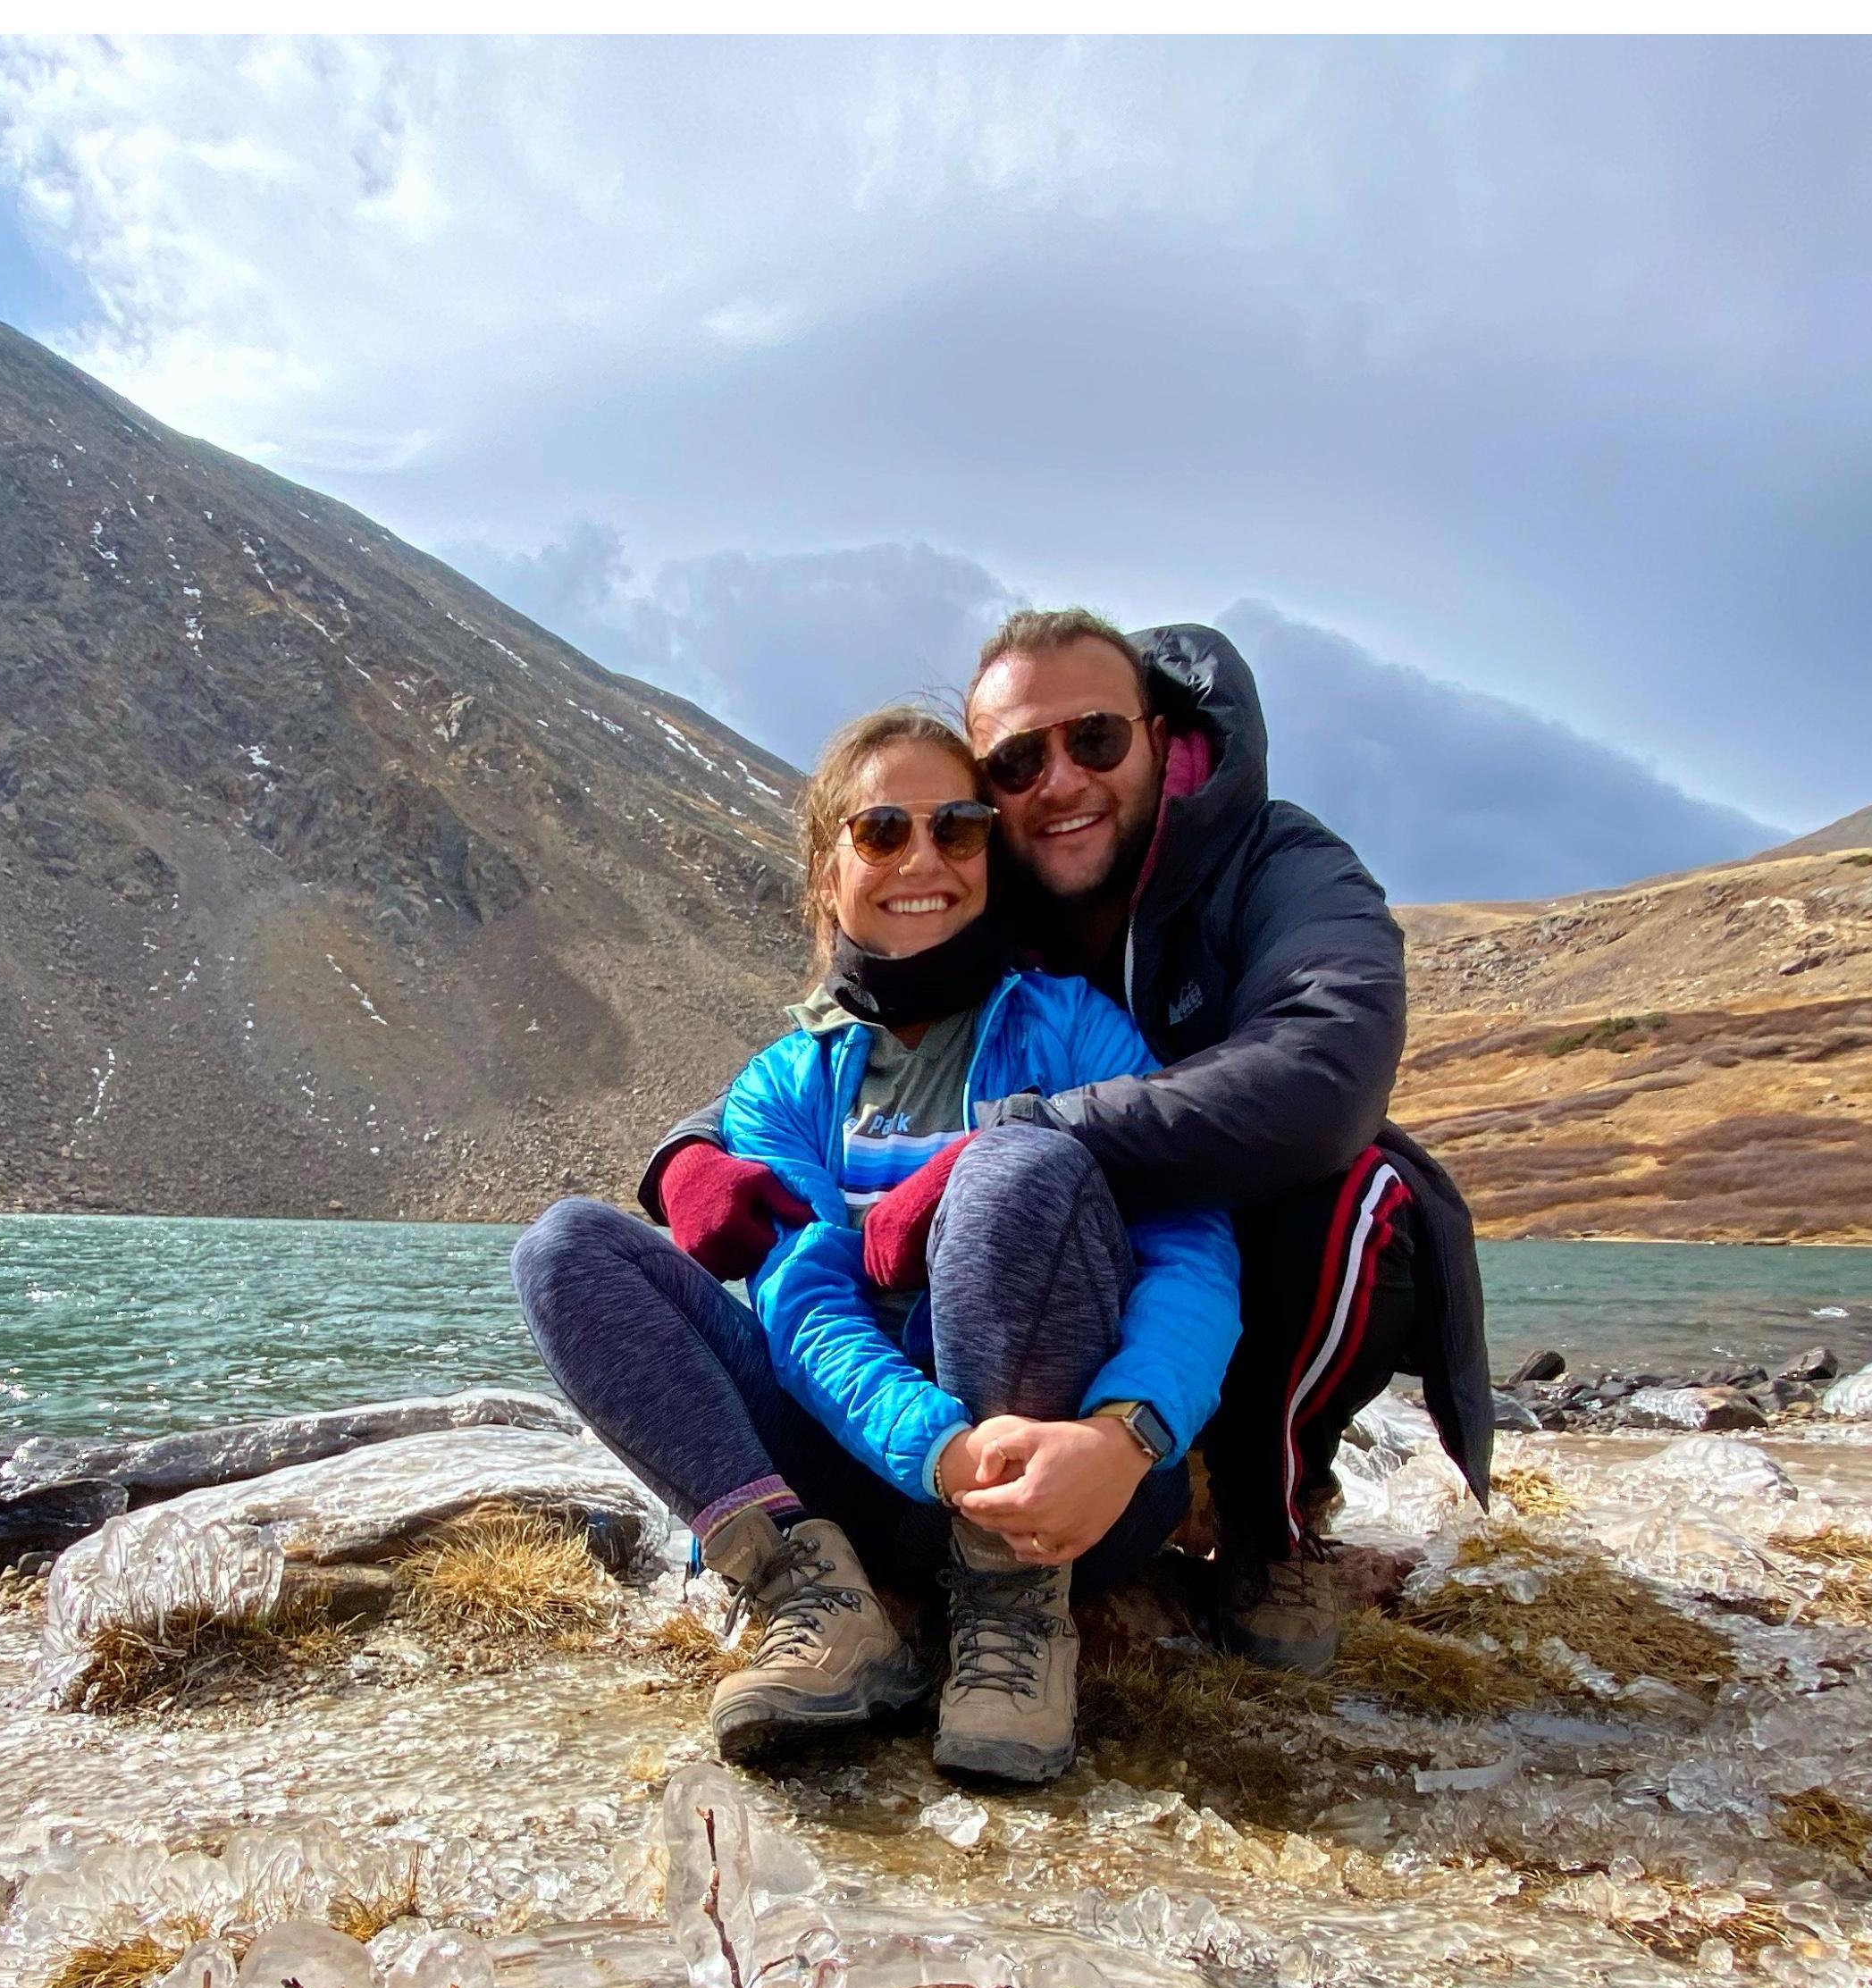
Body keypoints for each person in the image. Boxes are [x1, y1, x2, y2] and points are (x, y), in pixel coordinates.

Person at [641, 610, 1494, 1678]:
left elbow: (1324, 1080)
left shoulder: (1276, 863)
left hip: (1239, 1199)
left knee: (1354, 1199)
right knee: (587, 1250)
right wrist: (689, 1146)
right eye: (1014, 762)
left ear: (1158, 737)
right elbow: (848, 1049)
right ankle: (868, 1552)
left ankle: (1263, 1516)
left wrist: (1125, 1425)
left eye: (1094, 741)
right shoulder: (1003, 895)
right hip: (1004, 1326)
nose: (1059, 781)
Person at [514, 705, 1239, 1787]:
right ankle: (816, 1596)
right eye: (881, 831)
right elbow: (805, 1303)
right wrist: (937, 1450)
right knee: (566, 1248)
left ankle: (1017, 1618)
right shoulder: (786, 1081)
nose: (924, 860)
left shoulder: (1078, 1027)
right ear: (827, 872)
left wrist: (1130, 1434)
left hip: (1068, 1495)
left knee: (1017, 1164)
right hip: (871, 1470)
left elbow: (1191, 1246)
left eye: (957, 828)